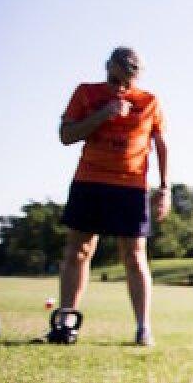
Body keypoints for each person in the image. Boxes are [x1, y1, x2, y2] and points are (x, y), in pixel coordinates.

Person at [52, 47, 170, 346]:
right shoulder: (86, 94)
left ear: (136, 78)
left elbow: (160, 145)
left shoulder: (149, 102)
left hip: (131, 187)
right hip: (90, 180)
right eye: (113, 79)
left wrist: (164, 188)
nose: (119, 87)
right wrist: (103, 114)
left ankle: (143, 327)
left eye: (126, 82)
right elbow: (67, 136)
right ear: (107, 70)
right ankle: (67, 320)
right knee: (79, 250)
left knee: (134, 255)